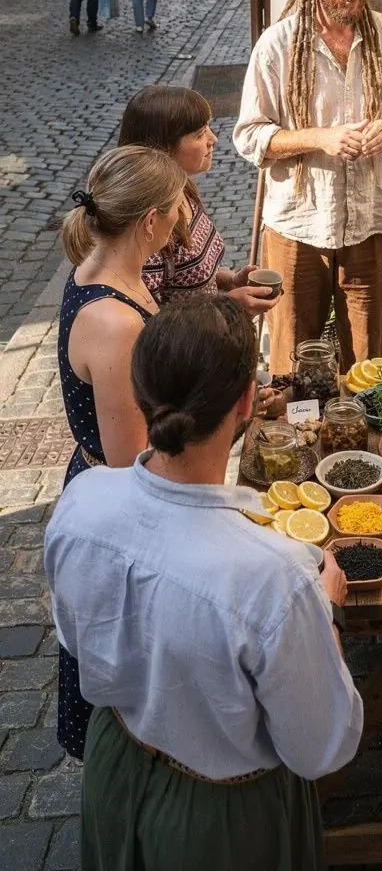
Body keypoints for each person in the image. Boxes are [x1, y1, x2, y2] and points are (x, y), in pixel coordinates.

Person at [44, 295, 363, 871]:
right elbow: (321, 747)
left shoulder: (80, 503)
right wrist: (330, 615)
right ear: (247, 402)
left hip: (112, 761)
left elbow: (77, 635)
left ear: (139, 391)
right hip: (221, 816)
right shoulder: (277, 577)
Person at [233, 0, 382, 372]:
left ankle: (358, 436)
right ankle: (295, 438)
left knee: (367, 360)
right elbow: (249, 135)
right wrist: (319, 137)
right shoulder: (278, 46)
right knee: (293, 356)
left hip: (370, 220)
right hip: (299, 224)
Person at [56, 144, 187, 758]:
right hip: (119, 512)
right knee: (129, 688)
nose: (186, 211)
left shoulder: (103, 269)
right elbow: (130, 461)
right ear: (150, 223)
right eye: (178, 203)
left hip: (106, 488)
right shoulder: (113, 321)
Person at [119, 85, 283, 408]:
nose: (213, 139)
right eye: (198, 133)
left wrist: (228, 281)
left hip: (205, 355)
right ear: (164, 148)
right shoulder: (152, 225)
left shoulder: (184, 189)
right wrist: (228, 310)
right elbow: (148, 327)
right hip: (183, 383)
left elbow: (186, 276)